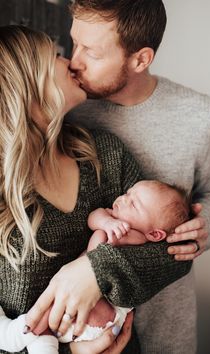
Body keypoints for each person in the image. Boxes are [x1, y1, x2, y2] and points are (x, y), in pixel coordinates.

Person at [43, 0, 210, 353]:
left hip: (166, 323)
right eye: (74, 43)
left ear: (140, 59)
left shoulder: (199, 115)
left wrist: (207, 225)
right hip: (82, 327)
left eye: (92, 52)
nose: (74, 61)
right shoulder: (69, 107)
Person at [0, 24, 192, 354]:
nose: (71, 63)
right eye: (56, 56)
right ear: (26, 83)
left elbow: (175, 251)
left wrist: (93, 270)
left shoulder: (104, 155)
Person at [3, 179, 191, 353]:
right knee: (50, 317)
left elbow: (176, 257)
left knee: (52, 308)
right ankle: (29, 339)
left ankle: (20, 333)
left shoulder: (141, 240)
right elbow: (94, 217)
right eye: (128, 193)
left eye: (133, 204)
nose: (123, 199)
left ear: (155, 235)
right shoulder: (112, 217)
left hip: (102, 313)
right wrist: (107, 222)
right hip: (83, 303)